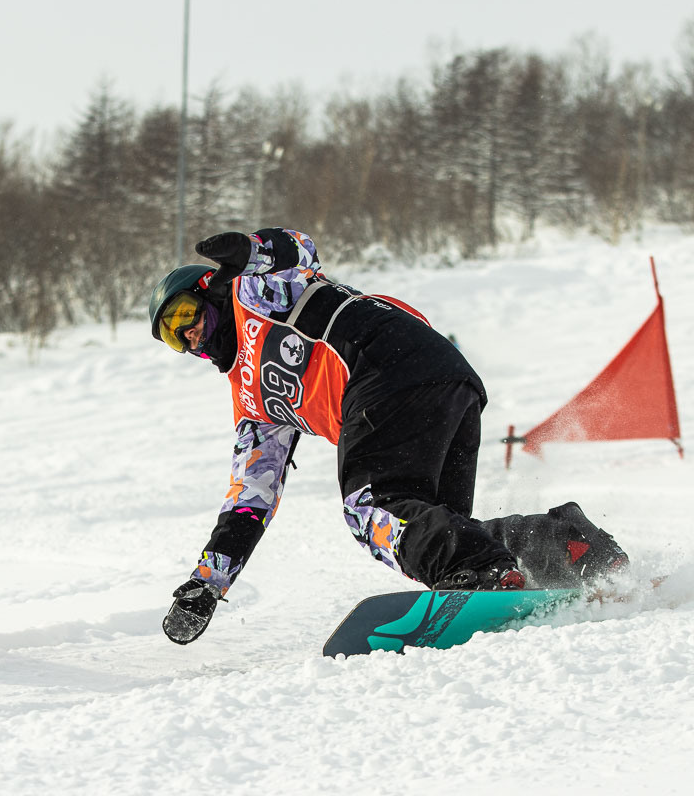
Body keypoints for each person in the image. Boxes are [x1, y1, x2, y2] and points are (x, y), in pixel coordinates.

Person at [150, 228, 629, 644]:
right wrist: (207, 583)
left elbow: (298, 251)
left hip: (383, 366)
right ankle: (564, 545)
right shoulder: (252, 407)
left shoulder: (253, 296)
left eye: (184, 314)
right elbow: (249, 498)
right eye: (172, 335)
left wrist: (248, 251)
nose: (187, 334)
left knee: (371, 511)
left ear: (209, 290)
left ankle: (489, 571)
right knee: (433, 528)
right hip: (446, 381)